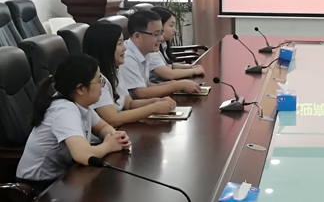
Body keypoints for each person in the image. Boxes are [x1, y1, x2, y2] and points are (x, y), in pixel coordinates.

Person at [16, 54, 131, 193]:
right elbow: (83, 155)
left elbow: (102, 127)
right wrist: (109, 145)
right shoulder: (64, 110)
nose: (103, 85)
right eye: (99, 80)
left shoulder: (79, 104)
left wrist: (116, 136)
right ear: (80, 89)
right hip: (38, 187)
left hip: (63, 178)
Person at [83, 23, 177, 127]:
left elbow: (129, 104)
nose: (124, 48)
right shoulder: (96, 80)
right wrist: (153, 108)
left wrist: (156, 101)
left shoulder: (114, 71)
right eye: (119, 44)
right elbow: (113, 119)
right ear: (105, 48)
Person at [120, 11, 200, 99]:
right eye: (156, 34)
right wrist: (177, 86)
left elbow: (145, 84)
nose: (161, 38)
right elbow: (141, 93)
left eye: (161, 33)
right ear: (137, 36)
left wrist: (172, 84)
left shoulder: (145, 50)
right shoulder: (126, 57)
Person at [147, 7, 205, 83]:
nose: (175, 30)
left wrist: (190, 67)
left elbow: (169, 65)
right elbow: (169, 74)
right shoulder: (151, 49)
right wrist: (193, 71)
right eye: (171, 25)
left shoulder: (162, 44)